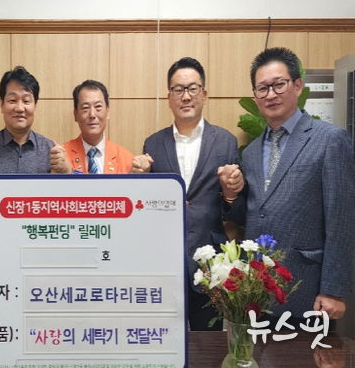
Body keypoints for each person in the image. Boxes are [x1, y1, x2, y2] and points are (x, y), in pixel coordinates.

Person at [226, 47, 355, 323]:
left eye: (278, 84)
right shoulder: (250, 152)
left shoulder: (330, 140)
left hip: (307, 287)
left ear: (297, 85)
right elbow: (256, 212)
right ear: (255, 96)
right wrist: (230, 195)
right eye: (262, 88)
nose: (271, 94)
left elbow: (342, 220)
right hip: (257, 290)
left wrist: (334, 291)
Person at [132, 57, 243, 330]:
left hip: (210, 263)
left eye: (192, 88)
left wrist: (230, 193)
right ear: (168, 97)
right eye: (178, 89)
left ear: (204, 94)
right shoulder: (153, 144)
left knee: (209, 342)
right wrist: (140, 179)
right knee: (164, 337)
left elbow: (237, 210)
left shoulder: (225, 141)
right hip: (165, 263)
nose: (186, 96)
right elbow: (146, 208)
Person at [0, 66, 70, 174]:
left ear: (35, 106)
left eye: (26, 101)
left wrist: (66, 171)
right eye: (12, 100)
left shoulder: (51, 150)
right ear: (2, 105)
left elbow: (68, 184)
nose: (20, 108)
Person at [62, 79, 134, 173]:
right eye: (85, 108)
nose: (92, 114)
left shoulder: (126, 159)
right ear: (75, 115)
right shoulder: (62, 157)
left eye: (98, 107)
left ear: (107, 112)